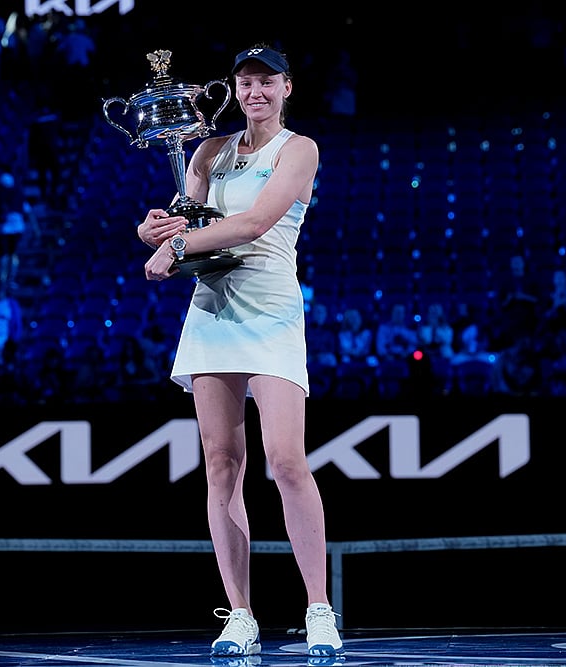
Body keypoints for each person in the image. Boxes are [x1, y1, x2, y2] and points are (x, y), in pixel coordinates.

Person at [137, 44, 343, 659]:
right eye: (246, 82)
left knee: (286, 462)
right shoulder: (206, 151)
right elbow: (186, 224)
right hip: (212, 312)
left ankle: (318, 610)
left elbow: (254, 224)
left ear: (286, 89)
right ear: (234, 89)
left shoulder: (298, 149)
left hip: (272, 310)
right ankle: (241, 614)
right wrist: (158, 230)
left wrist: (175, 247)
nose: (255, 91)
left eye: (267, 82)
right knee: (221, 464)